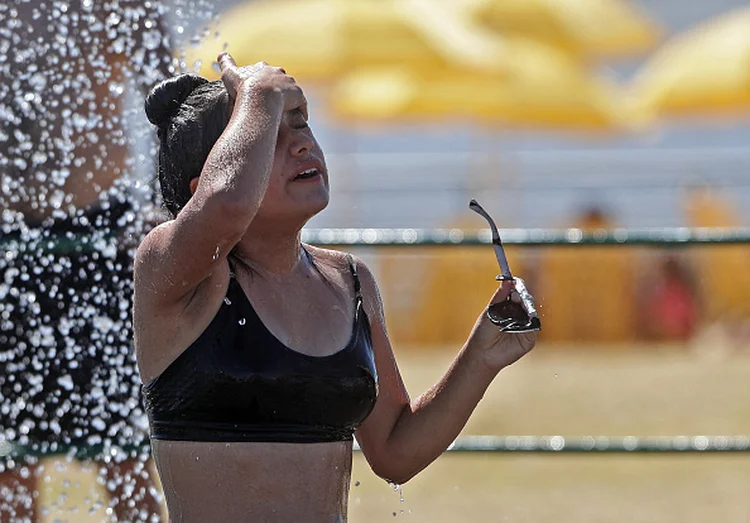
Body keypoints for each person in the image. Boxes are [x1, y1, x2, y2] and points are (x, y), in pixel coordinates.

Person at [135, 53, 537, 522]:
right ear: (205, 183)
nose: (302, 145)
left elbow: (394, 451)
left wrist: (482, 355)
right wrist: (259, 90)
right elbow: (225, 206)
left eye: (300, 123)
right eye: (270, 135)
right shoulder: (176, 274)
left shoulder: (348, 281)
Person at [0, 1, 173, 520]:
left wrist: (160, 203)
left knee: (125, 452)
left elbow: (175, 101)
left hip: (98, 233)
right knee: (8, 462)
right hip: (7, 245)